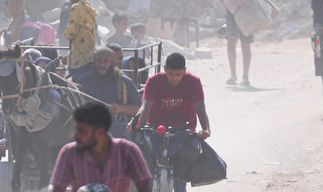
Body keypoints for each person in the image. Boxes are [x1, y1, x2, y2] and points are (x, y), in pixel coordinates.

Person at [133, 53, 211, 192]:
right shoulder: (154, 81)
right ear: (164, 69)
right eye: (171, 74)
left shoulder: (193, 82)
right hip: (155, 127)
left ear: (185, 70)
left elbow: (200, 108)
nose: (174, 78)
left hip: (184, 128)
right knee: (146, 157)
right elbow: (146, 107)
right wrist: (137, 126)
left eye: (178, 74)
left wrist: (206, 129)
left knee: (184, 160)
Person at [49, 103, 151, 192]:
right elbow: (57, 188)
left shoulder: (128, 151)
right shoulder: (69, 152)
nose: (76, 136)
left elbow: (144, 186)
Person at [216, 0, 266, 86]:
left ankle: (245, 77)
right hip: (232, 15)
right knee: (231, 42)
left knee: (245, 45)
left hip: (247, 15)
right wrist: (225, 3)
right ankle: (233, 75)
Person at [73, 47, 141, 139]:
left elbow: (137, 109)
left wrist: (119, 108)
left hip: (115, 125)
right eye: (98, 61)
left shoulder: (124, 82)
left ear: (112, 63)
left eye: (105, 62)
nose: (101, 65)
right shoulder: (83, 80)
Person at [64, 0, 97, 79]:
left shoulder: (76, 7)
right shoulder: (89, 7)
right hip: (89, 53)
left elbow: (71, 32)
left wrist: (65, 34)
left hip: (78, 55)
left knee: (77, 83)